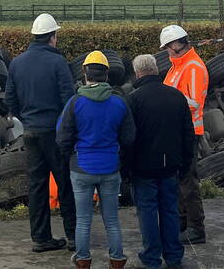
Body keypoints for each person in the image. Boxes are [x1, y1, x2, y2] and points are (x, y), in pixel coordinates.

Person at [5, 13, 77, 253]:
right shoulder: (58, 62)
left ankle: (41, 238)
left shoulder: (17, 63)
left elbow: (10, 99)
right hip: (54, 132)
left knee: (37, 186)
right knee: (65, 183)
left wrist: (26, 119)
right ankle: (73, 236)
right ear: (52, 37)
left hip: (30, 132)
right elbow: (69, 100)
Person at [57, 50, 136, 269]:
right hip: (110, 168)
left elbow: (62, 137)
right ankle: (117, 260)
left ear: (85, 73)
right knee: (112, 220)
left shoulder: (75, 103)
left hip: (81, 167)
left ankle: (83, 260)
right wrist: (117, 154)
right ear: (107, 74)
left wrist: (71, 154)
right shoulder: (119, 102)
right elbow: (129, 137)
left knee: (83, 220)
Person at [125, 54, 195, 269]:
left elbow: (128, 138)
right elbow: (188, 134)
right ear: (156, 69)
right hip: (171, 166)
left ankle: (151, 258)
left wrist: (126, 170)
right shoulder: (176, 96)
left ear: (137, 73)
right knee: (170, 210)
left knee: (147, 212)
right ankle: (173, 256)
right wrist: (185, 164)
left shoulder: (133, 99)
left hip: (143, 168)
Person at [160, 24, 208, 245]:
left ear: (176, 45)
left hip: (189, 132)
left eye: (167, 48)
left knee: (187, 181)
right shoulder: (177, 66)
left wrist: (168, 101)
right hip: (176, 131)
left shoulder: (194, 67)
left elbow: (194, 102)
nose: (166, 52)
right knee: (179, 180)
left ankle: (196, 228)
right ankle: (181, 224)